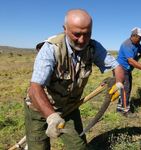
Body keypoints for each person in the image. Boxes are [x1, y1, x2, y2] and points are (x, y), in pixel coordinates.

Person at [24, 9, 124, 150]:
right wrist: (51, 117)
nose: (82, 40)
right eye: (77, 34)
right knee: (38, 147)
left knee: (79, 147)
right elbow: (35, 88)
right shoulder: (51, 48)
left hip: (69, 107)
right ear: (65, 29)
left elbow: (117, 67)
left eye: (87, 34)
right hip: (39, 108)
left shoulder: (93, 47)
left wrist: (119, 83)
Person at [116, 27, 141, 117]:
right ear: (133, 36)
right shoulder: (127, 45)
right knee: (126, 89)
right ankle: (126, 111)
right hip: (121, 69)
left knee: (124, 89)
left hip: (127, 69)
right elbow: (131, 61)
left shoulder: (137, 44)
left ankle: (119, 108)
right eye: (139, 37)